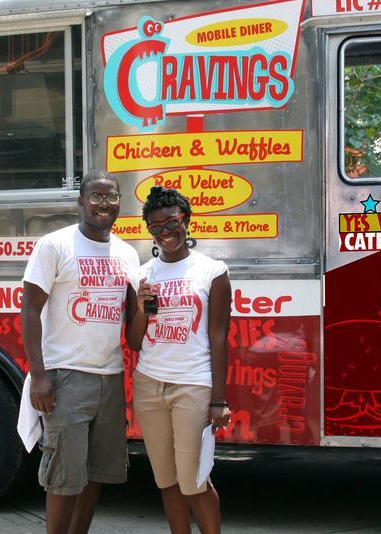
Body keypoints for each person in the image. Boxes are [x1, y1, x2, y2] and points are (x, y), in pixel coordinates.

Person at [20, 170, 141, 534]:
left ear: (120, 202)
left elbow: (133, 321)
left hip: (110, 376)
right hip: (66, 376)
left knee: (96, 472)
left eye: (111, 197)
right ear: (81, 202)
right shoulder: (55, 245)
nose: (104, 204)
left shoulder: (127, 253)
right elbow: (29, 310)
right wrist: (39, 376)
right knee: (63, 475)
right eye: (96, 196)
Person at [127, 186, 232, 534]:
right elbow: (134, 341)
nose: (165, 232)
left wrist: (218, 400)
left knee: (194, 481)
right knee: (167, 481)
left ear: (185, 219)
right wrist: (141, 309)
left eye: (171, 222)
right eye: (155, 227)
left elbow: (218, 337)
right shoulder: (143, 274)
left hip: (193, 385)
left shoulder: (212, 271)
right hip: (149, 386)